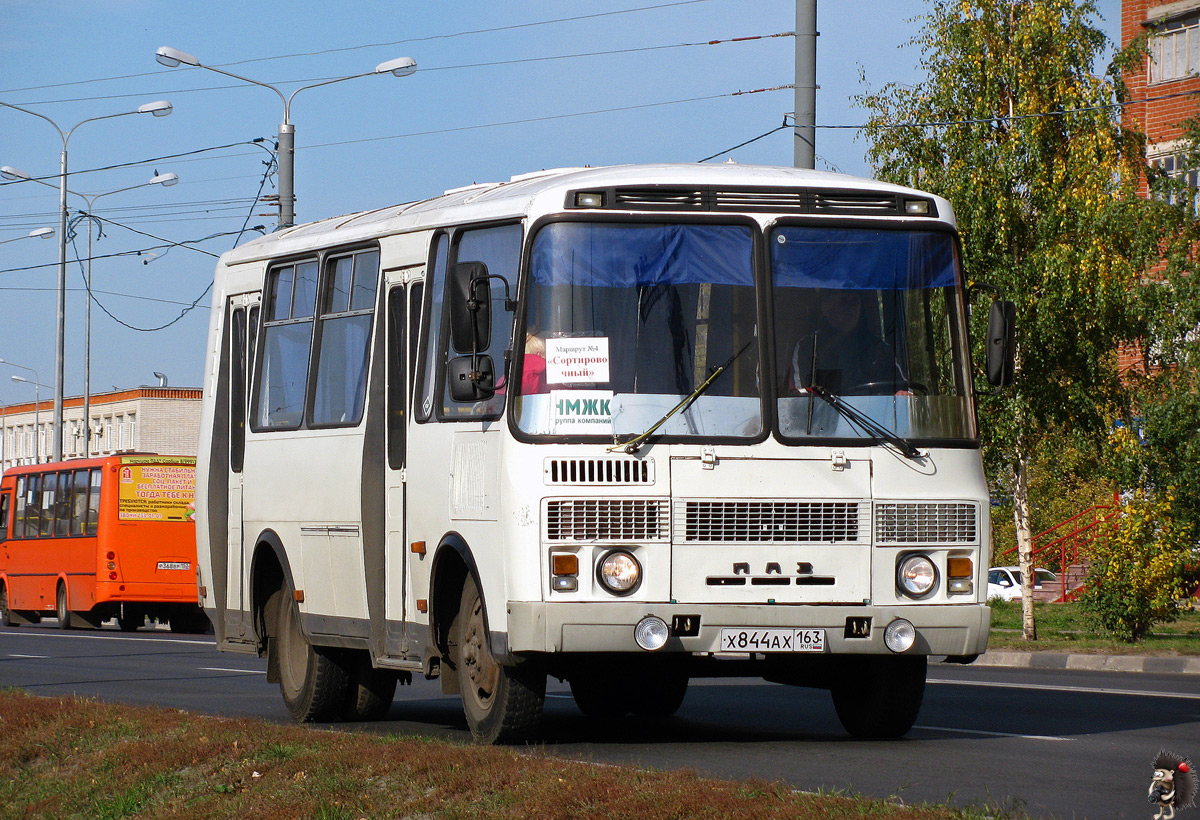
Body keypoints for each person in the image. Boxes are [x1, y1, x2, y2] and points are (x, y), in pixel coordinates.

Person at [786, 289, 909, 396]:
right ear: (826, 307)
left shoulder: (879, 349)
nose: (850, 307)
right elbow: (802, 397)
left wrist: (902, 394)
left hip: (874, 422)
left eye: (854, 301)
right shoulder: (809, 347)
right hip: (825, 422)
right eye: (843, 301)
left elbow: (903, 392)